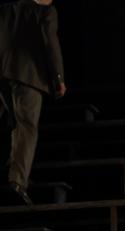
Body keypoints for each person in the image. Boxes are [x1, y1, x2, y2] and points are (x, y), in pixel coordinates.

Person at [0, 0, 66, 205]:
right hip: (29, 75)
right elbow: (50, 42)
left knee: (16, 126)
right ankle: (17, 181)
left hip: (4, 74)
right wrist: (58, 78)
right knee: (27, 127)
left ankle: (16, 171)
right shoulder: (45, 11)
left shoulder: (9, 8)